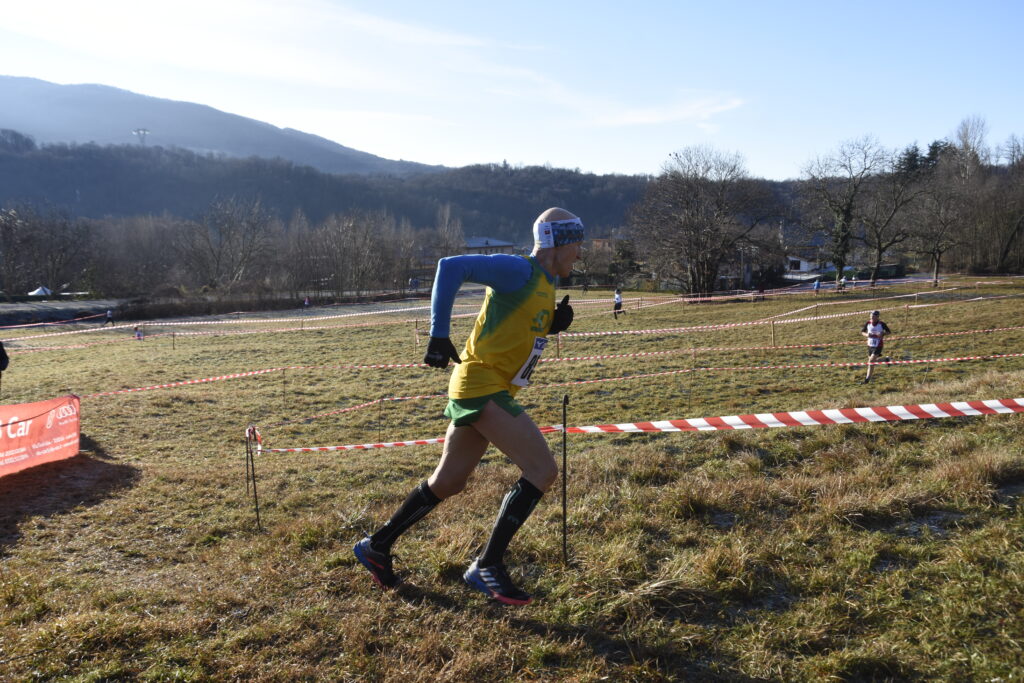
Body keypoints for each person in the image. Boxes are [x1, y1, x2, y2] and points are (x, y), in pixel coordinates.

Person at [353, 207, 583, 606]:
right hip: (480, 384)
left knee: (448, 482)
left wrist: (550, 324)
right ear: (557, 242)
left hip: (491, 387)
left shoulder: (545, 284)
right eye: (576, 244)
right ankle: (487, 565)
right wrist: (438, 334)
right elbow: (450, 266)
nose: (579, 254)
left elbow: (514, 323)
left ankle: (377, 546)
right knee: (542, 470)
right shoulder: (520, 270)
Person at [860, 310, 892, 383]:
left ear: (877, 317)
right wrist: (867, 335)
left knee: (871, 361)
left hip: (878, 345)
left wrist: (882, 334)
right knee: (872, 362)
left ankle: (867, 380)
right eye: (871, 316)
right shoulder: (868, 323)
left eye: (873, 316)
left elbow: (889, 332)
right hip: (870, 345)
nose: (872, 318)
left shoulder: (882, 324)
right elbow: (862, 332)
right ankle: (886, 359)